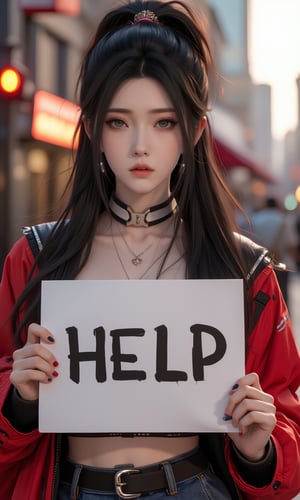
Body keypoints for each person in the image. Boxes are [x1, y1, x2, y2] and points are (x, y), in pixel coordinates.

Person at [0, 1, 299, 499]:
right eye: (119, 122)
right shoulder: (36, 257)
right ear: (92, 127)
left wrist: (260, 449)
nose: (141, 145)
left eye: (164, 122)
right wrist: (19, 398)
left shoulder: (244, 271)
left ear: (195, 131)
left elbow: (287, 429)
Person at [250, 196, 298, 307]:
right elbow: (291, 244)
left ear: (265, 205)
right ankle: (282, 319)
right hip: (281, 262)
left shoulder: (255, 219)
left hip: (259, 263)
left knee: (261, 293)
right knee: (282, 293)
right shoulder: (284, 220)